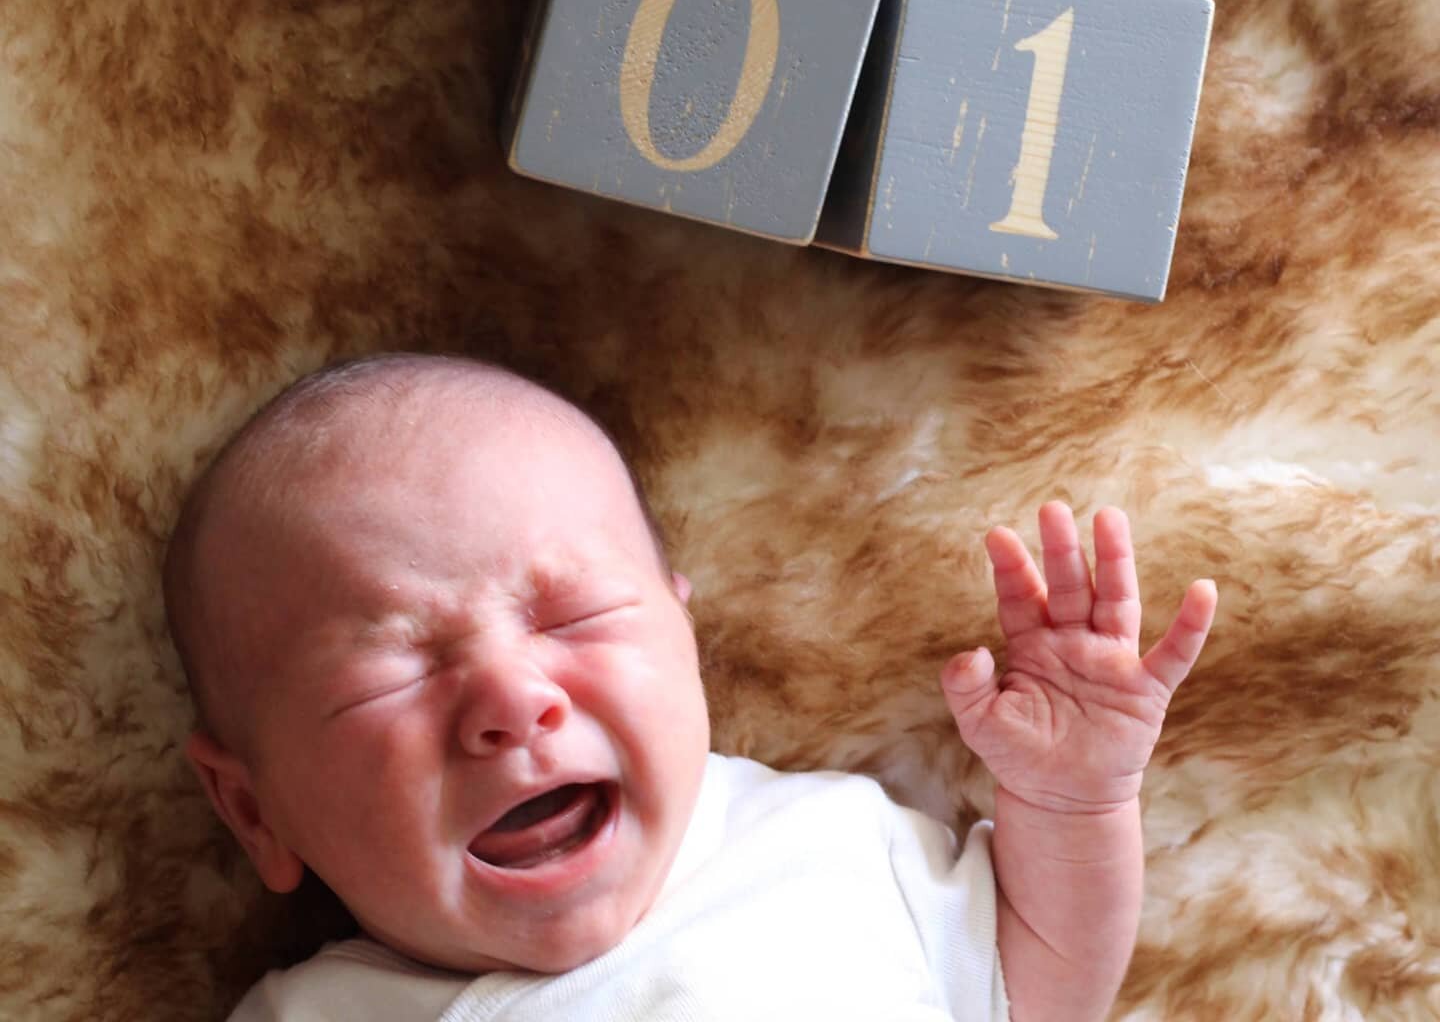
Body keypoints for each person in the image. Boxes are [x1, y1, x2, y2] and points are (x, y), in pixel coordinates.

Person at [164, 353, 1218, 1021]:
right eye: (389, 670)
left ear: (684, 633)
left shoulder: (831, 853)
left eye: (571, 616)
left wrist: (1074, 799)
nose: (510, 700)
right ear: (255, 809)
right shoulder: (319, 1013)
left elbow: (1040, 988)